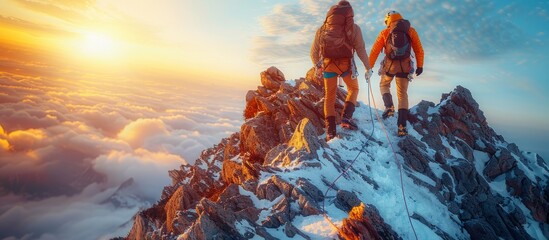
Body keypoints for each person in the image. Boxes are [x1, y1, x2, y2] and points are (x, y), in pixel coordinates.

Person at [310, 0, 373, 141]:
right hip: (346, 65)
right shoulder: (354, 28)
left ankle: (330, 132)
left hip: (328, 66)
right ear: (349, 13)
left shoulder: (323, 29)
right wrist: (368, 68)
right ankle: (346, 118)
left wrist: (317, 66)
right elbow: (361, 50)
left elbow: (313, 52)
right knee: (353, 88)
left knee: (330, 97)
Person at [369, 10, 424, 137]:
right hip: (405, 66)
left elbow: (374, 51)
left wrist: (369, 67)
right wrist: (420, 66)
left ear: (388, 20)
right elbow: (419, 49)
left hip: (390, 66)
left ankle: (389, 107)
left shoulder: (385, 32)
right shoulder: (410, 30)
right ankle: (402, 126)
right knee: (402, 95)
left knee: (384, 85)